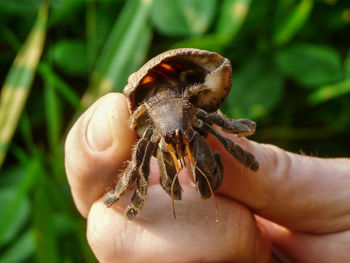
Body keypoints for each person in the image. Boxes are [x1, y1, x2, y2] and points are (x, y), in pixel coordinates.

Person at [65, 93, 350, 263]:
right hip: (162, 123)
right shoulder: (152, 134)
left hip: (181, 118)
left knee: (216, 145)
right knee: (141, 167)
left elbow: (216, 130)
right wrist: (121, 197)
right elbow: (141, 159)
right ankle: (134, 198)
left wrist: (237, 134)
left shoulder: (195, 118)